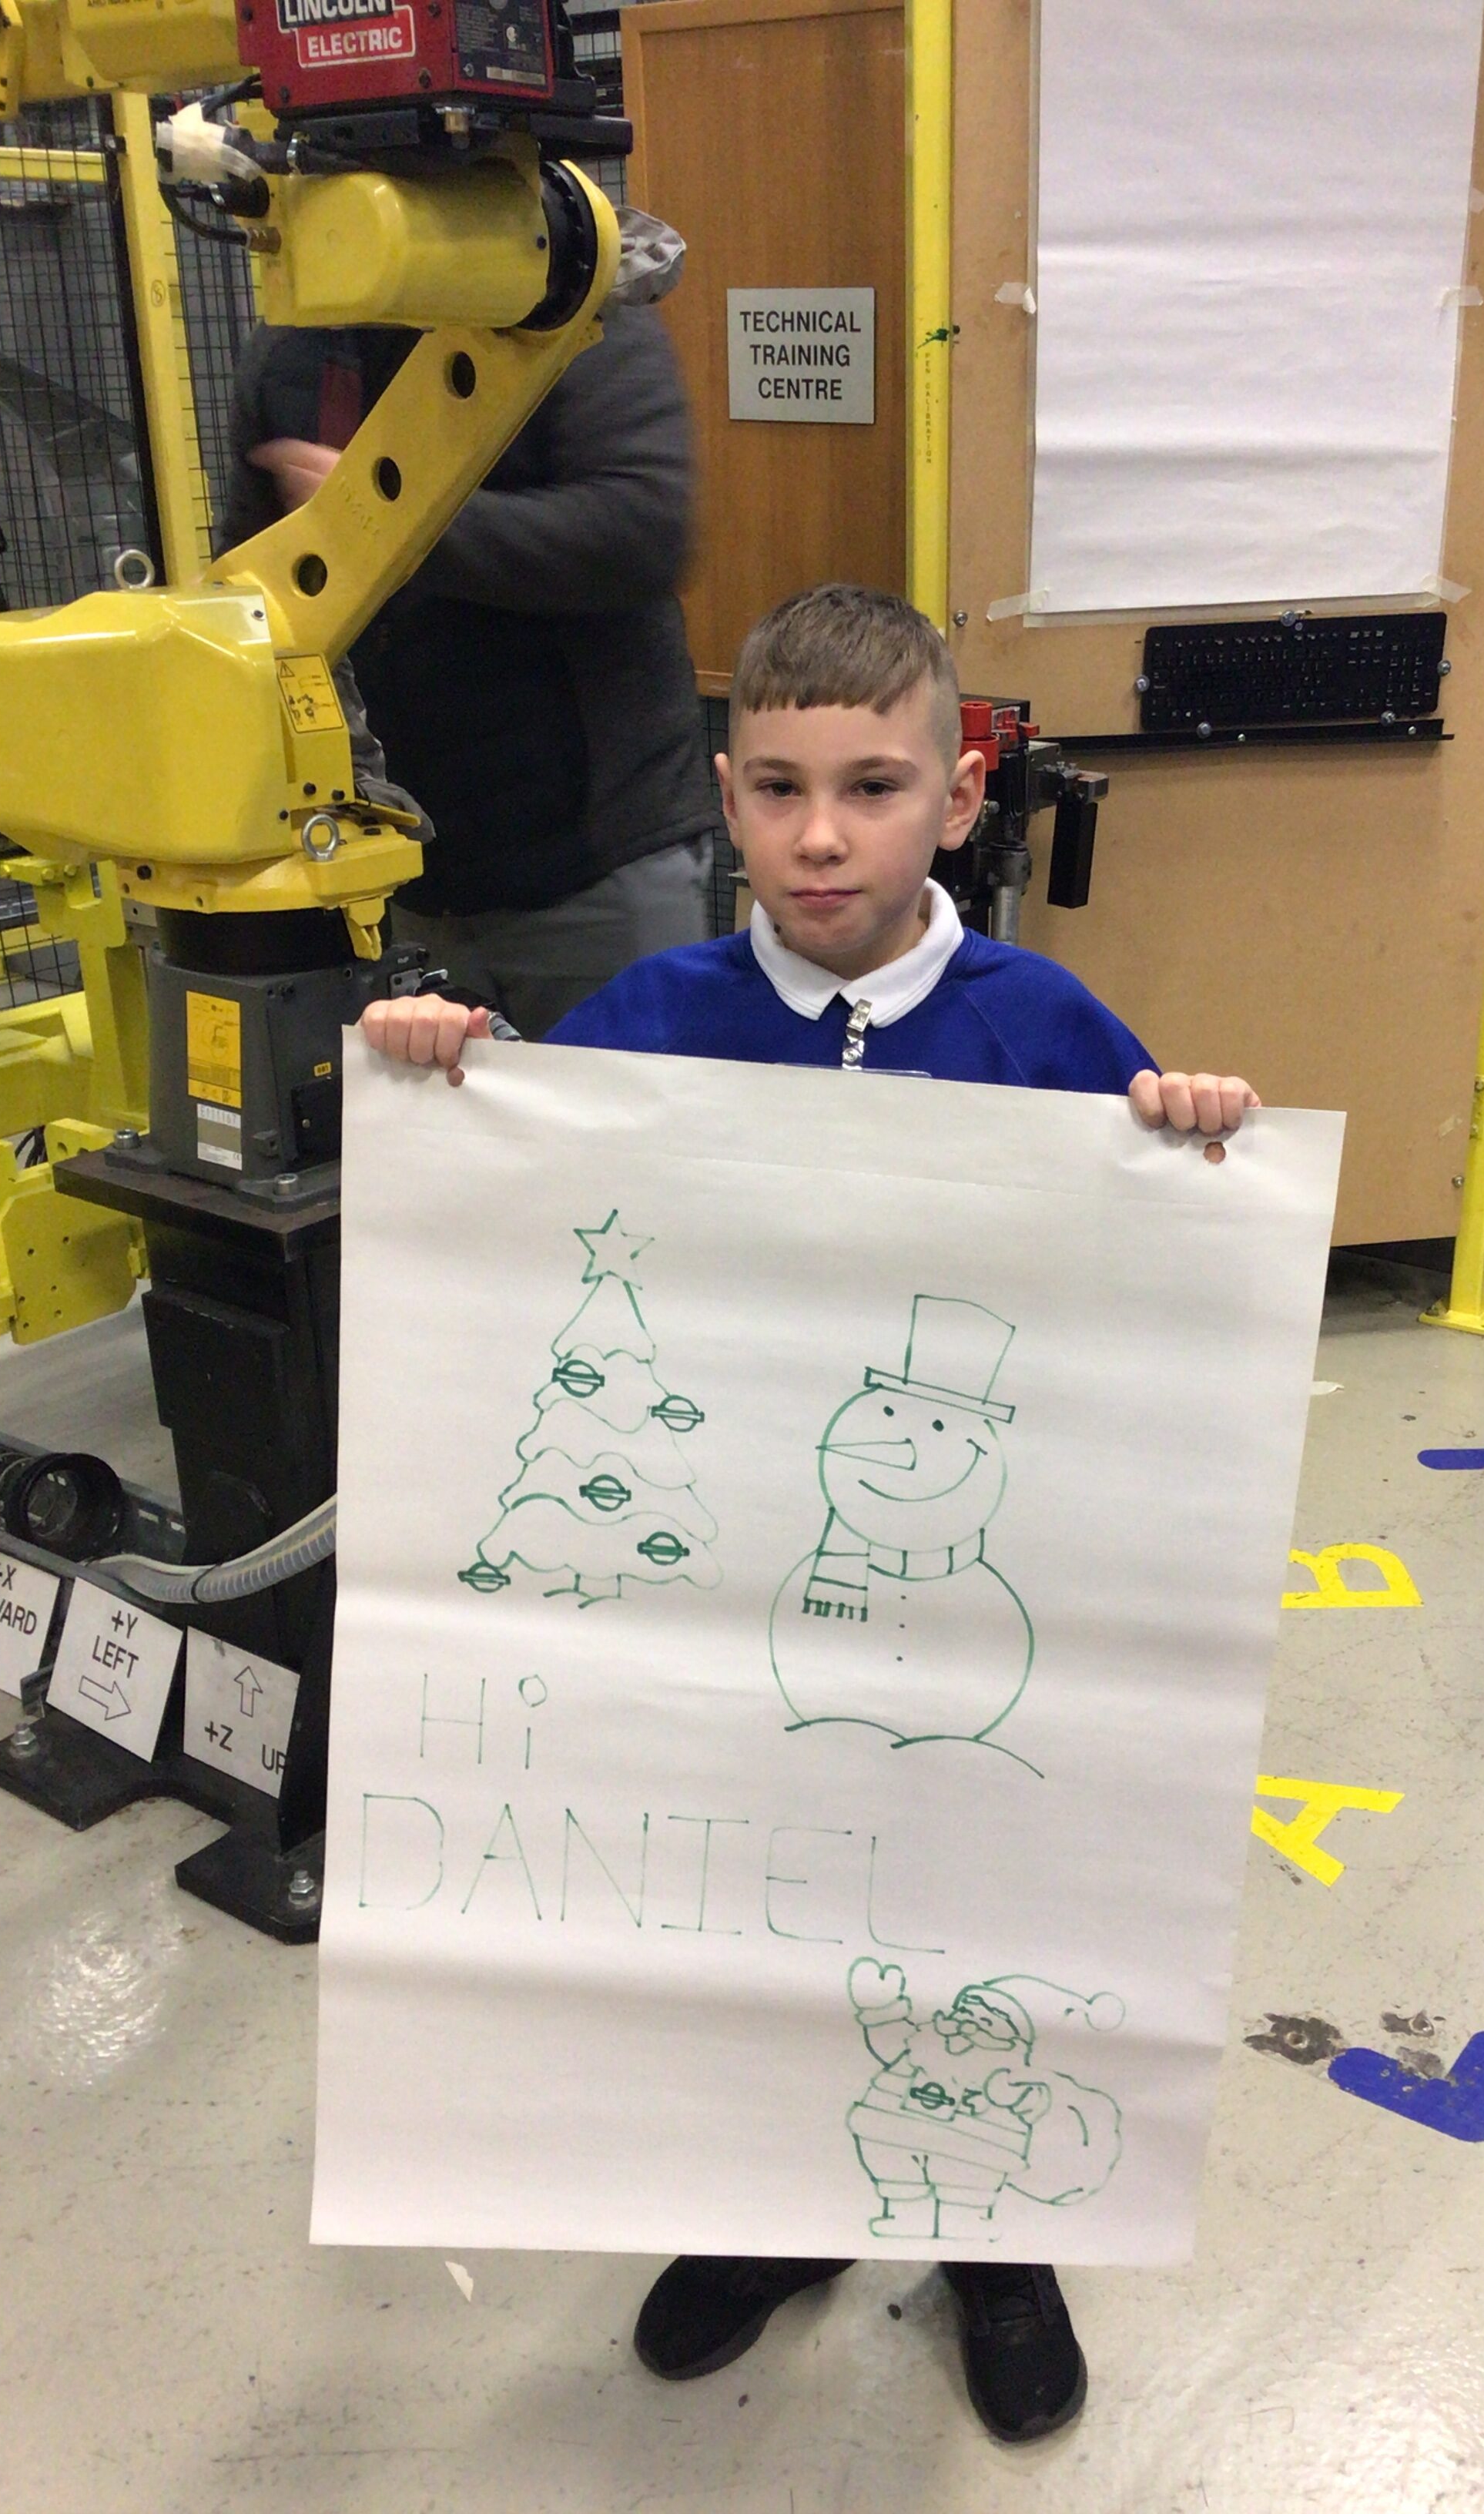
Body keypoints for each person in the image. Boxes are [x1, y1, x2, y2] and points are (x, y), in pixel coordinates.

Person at [360, 582, 1259, 2445]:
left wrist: (1188, 1131)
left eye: (872, 786)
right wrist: (449, 1069)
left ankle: (992, 2240)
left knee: (965, 1916)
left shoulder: (1044, 1024)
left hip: (970, 1621)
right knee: (754, 1928)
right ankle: (769, 2203)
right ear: (724, 799)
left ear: (957, 797)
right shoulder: (650, 1015)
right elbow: (530, 1216)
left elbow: (1148, 1281)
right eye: (778, 790)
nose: (822, 836)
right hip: (731, 1616)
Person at [218, 303, 722, 1038]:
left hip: (597, 861)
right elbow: (253, 586)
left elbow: (643, 528)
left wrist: (385, 519)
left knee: (626, 1106)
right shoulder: (296, 346)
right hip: (409, 874)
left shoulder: (570, 301)